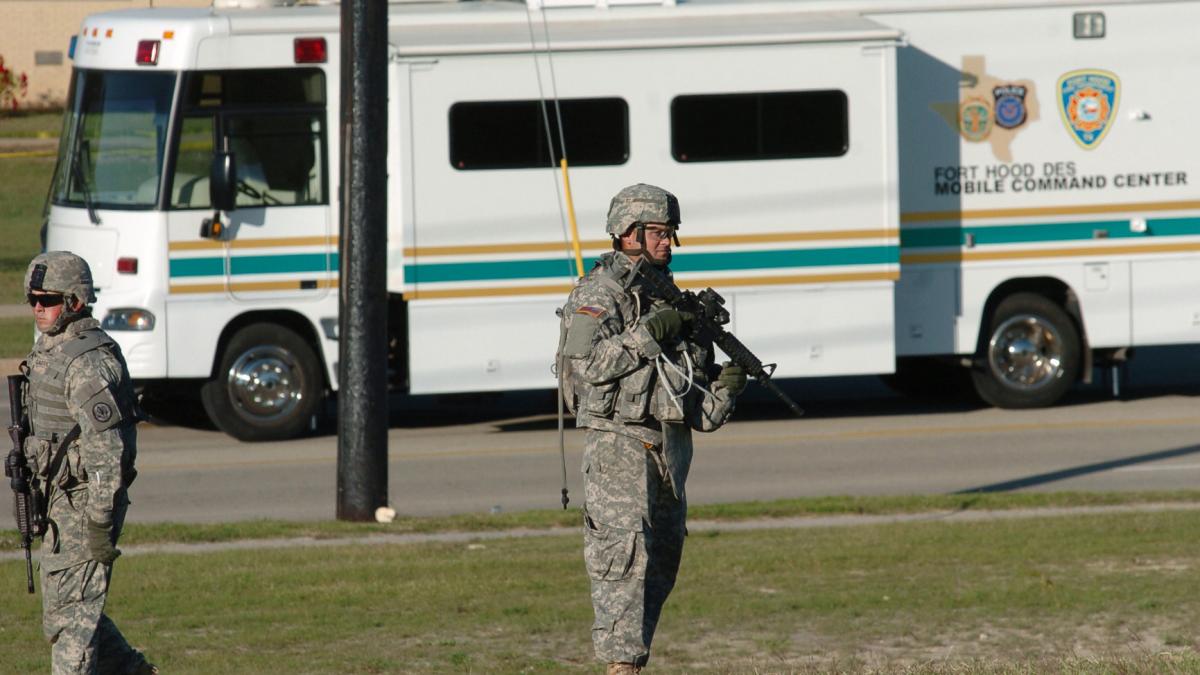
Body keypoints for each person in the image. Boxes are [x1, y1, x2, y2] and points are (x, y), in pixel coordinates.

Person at [561, 184, 747, 673]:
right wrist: (651, 332)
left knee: (660, 565)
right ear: (628, 234)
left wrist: (727, 386)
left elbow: (697, 411)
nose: (668, 243)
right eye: (659, 233)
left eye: (672, 234)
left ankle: (632, 665)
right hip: (620, 446)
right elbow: (583, 366)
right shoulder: (599, 294)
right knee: (624, 565)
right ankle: (620, 667)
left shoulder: (669, 300)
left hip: (668, 452)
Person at [19, 251, 157, 675]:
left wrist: (98, 526)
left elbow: (107, 455)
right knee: (68, 607)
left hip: (85, 505)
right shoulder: (51, 349)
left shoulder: (87, 364)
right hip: (58, 500)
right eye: (33, 299)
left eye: (48, 299)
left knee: (71, 628)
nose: (39, 308)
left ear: (75, 301)